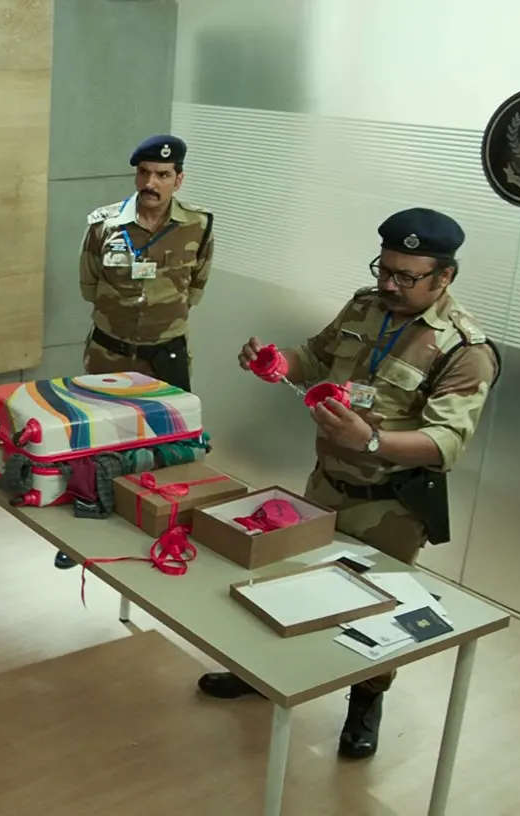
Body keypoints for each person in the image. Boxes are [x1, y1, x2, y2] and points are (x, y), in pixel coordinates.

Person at [198, 207, 500, 761]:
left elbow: (445, 442)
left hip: (391, 507)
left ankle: (365, 702)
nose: (390, 284)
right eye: (384, 269)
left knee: (377, 608)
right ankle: (262, 673)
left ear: (445, 277)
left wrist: (372, 441)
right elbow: (315, 359)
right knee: (290, 582)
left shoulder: (465, 350)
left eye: (406, 277)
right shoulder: (366, 306)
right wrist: (276, 361)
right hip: (325, 485)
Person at [78, 133, 214, 392]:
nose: (151, 183)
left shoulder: (198, 226)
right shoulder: (104, 225)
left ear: (178, 180)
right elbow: (89, 285)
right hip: (108, 355)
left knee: (167, 419)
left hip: (166, 358)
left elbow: (195, 287)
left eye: (163, 175)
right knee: (104, 418)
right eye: (144, 172)